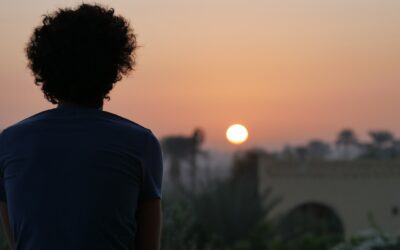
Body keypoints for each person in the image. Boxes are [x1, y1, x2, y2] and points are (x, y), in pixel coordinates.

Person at [0, 3, 163, 250]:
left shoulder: (9, 143)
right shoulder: (140, 144)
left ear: (45, 67)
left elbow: (19, 241)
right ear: (114, 68)